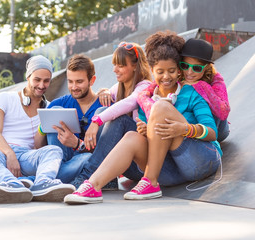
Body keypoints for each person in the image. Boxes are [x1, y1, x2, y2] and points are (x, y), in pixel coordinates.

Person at [64, 31, 222, 204]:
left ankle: (150, 182)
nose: (166, 76)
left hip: (200, 160)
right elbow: (151, 139)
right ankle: (93, 186)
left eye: (171, 71)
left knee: (161, 107)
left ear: (178, 71)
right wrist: (147, 132)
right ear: (153, 72)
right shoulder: (146, 99)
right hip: (171, 170)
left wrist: (184, 129)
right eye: (160, 71)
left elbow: (212, 132)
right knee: (133, 136)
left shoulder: (192, 92)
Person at [0, 55, 75, 204]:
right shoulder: (4, 98)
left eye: (46, 81)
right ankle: (11, 185)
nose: (41, 85)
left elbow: (39, 147)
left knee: (54, 151)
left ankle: (42, 184)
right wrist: (10, 154)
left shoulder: (49, 108)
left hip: (27, 156)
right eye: (37, 80)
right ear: (28, 77)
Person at [70, 42, 152, 188]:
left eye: (120, 65)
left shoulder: (144, 86)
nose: (115, 70)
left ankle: (88, 174)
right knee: (101, 111)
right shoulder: (119, 87)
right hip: (124, 163)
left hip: (142, 165)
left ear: (134, 66)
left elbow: (129, 103)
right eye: (114, 65)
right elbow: (106, 94)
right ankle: (107, 178)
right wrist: (104, 92)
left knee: (117, 118)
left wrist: (96, 121)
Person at [138, 38, 230, 142]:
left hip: (218, 129)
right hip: (192, 127)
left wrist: (200, 85)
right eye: (185, 65)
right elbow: (144, 94)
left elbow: (223, 112)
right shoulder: (178, 74)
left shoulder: (215, 79)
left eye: (197, 68)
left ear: (206, 67)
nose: (189, 72)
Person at [39, 54, 103, 184]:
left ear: (92, 80)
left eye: (79, 81)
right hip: (61, 160)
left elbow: (108, 149)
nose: (74, 87)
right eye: (70, 81)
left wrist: (76, 143)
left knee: (87, 158)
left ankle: (41, 180)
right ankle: (49, 178)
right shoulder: (60, 103)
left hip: (90, 161)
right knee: (55, 111)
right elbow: (39, 143)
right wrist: (43, 126)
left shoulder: (105, 104)